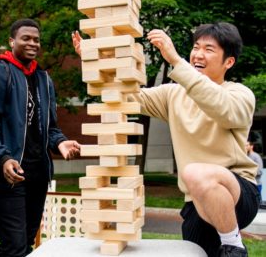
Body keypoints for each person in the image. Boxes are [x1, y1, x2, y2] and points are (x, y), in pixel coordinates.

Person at [72, 22, 260, 257]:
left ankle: (234, 246)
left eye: (209, 49)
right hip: (196, 202)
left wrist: (176, 61)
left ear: (229, 62)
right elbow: (128, 97)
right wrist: (98, 63)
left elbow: (222, 107)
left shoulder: (239, 94)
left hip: (237, 194)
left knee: (194, 172)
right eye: (196, 47)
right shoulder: (174, 94)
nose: (198, 54)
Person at [0, 18, 80, 257]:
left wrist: (60, 142)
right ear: (12, 41)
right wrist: (2, 159)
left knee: (27, 243)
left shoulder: (43, 79)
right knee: (14, 246)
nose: (33, 43)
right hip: (7, 174)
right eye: (26, 38)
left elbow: (50, 127)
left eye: (36, 40)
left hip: (37, 174)